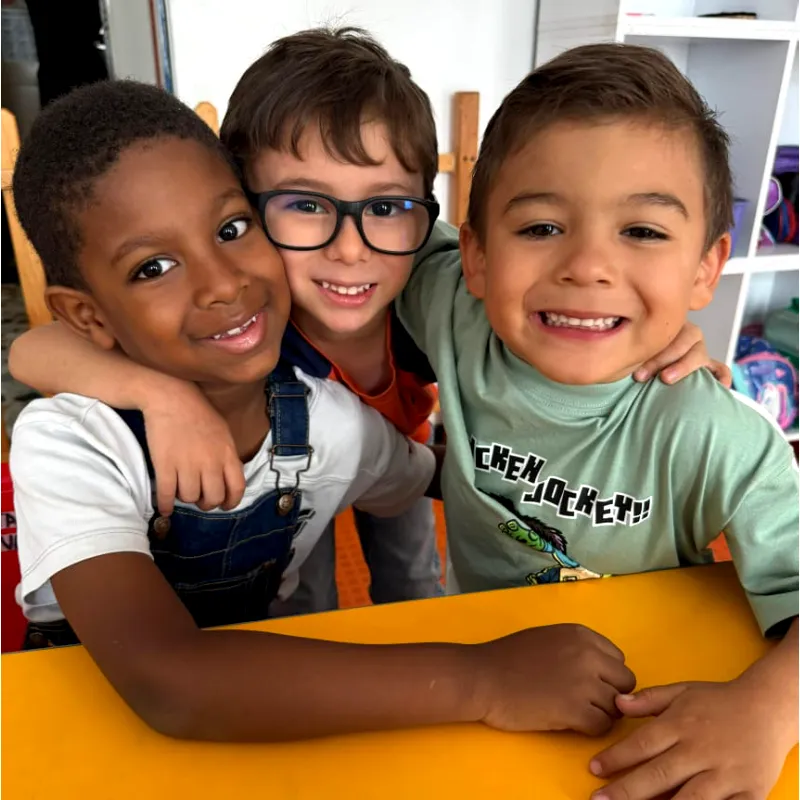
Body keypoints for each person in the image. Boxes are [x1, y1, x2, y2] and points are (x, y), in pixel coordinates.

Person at [9, 78, 644, 743]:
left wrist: (640, 385)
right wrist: (485, 679)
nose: (222, 282)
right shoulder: (73, 445)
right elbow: (165, 680)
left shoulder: (329, 418)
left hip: (263, 729)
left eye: (231, 229)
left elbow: (433, 469)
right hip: (82, 735)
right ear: (87, 315)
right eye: (153, 267)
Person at [9, 28, 725, 614]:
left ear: (421, 210)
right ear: (243, 207)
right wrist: (160, 395)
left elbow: (560, 298)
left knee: (413, 579)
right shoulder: (245, 315)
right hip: (291, 476)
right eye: (304, 204)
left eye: (384, 206)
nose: (351, 249)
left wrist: (662, 340)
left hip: (401, 451)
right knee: (305, 597)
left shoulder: (437, 280)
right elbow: (33, 350)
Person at [395, 43, 798, 800]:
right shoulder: (452, 303)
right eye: (541, 227)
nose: (587, 266)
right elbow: (348, 233)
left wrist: (772, 710)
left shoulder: (718, 434)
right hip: (477, 681)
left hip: (639, 719)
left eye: (642, 232)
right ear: (476, 256)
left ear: (705, 269)